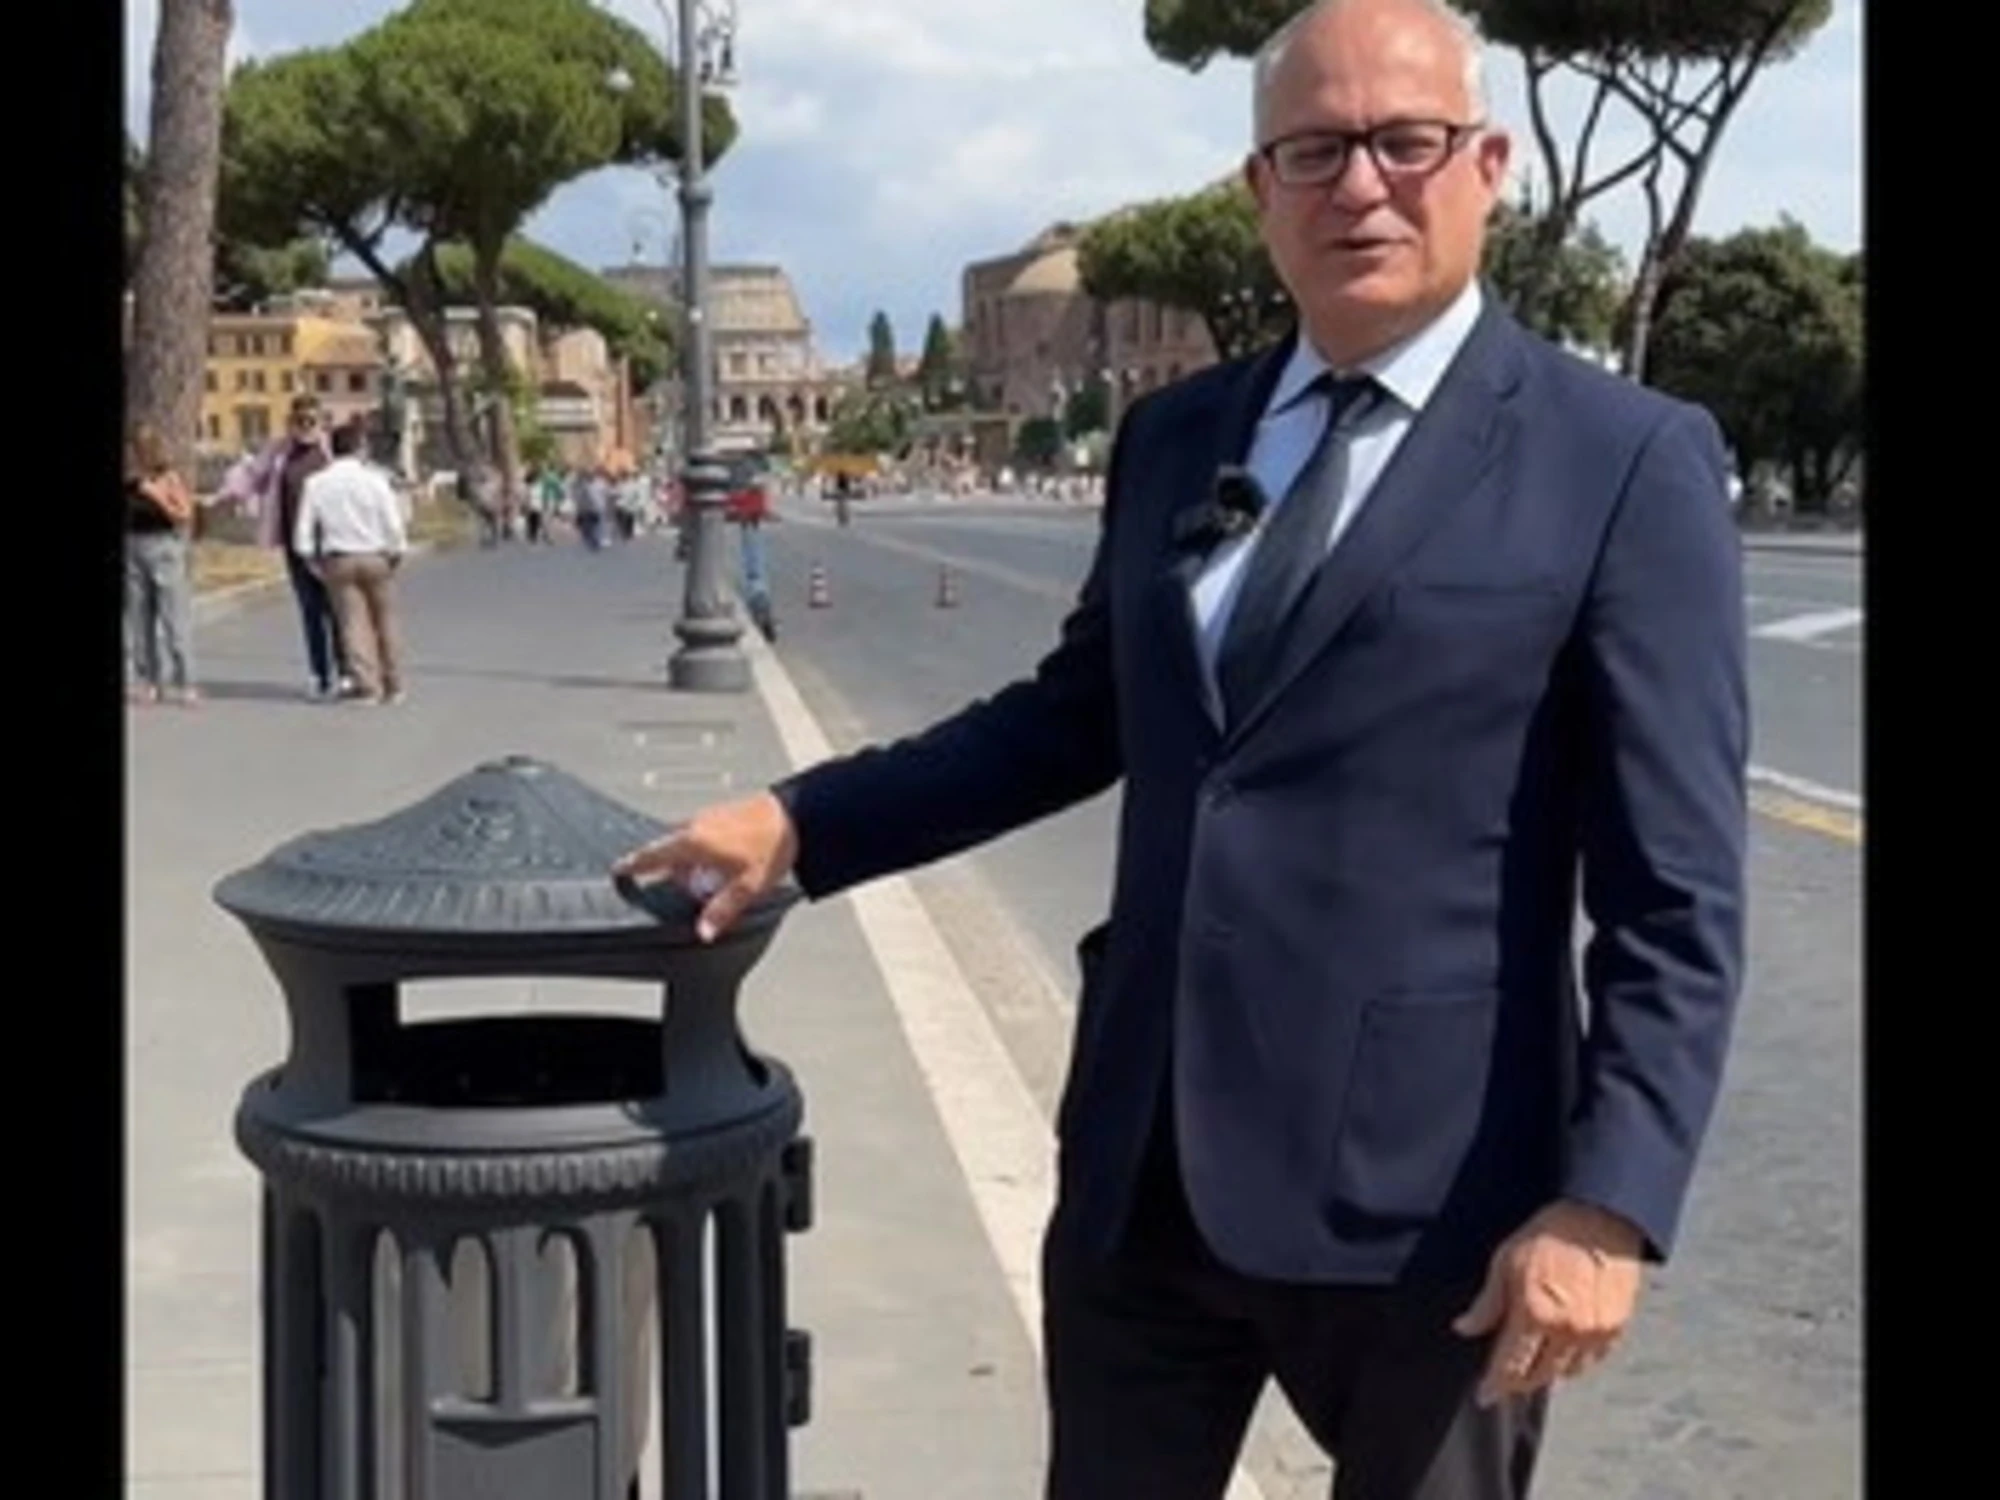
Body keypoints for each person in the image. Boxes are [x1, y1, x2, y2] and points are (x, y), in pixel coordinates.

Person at [613, 1, 1747, 1496]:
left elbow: (1679, 891)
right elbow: (1075, 719)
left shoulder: (1622, 458)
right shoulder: (1178, 438)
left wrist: (1610, 1204)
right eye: (1315, 150)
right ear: (1257, 189)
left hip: (1439, 1206)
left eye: (1405, 144)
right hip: (1147, 1170)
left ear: (1488, 165)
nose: (1362, 185)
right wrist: (805, 823)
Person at [220, 394, 351, 699]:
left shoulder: (332, 453)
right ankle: (319, 674)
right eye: (298, 421)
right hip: (295, 544)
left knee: (337, 609)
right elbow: (251, 477)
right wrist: (224, 495)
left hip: (331, 544)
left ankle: (345, 671)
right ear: (290, 422)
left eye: (311, 421)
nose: (304, 426)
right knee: (310, 610)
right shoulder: (280, 451)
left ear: (322, 423)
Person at [293, 419, 411, 705]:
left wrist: (311, 561)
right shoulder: (376, 481)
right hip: (376, 555)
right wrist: (397, 551)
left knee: (352, 623)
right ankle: (394, 684)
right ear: (361, 449)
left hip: (339, 558)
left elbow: (304, 531)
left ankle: (366, 685)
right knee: (385, 620)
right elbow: (393, 524)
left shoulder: (316, 483)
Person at [124, 423, 199, 706]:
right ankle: (147, 681)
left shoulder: (167, 477)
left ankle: (185, 680)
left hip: (163, 546)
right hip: (132, 547)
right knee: (139, 619)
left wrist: (155, 495)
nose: (136, 454)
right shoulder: (128, 481)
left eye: (141, 449)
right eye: (133, 449)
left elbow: (184, 514)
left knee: (172, 617)